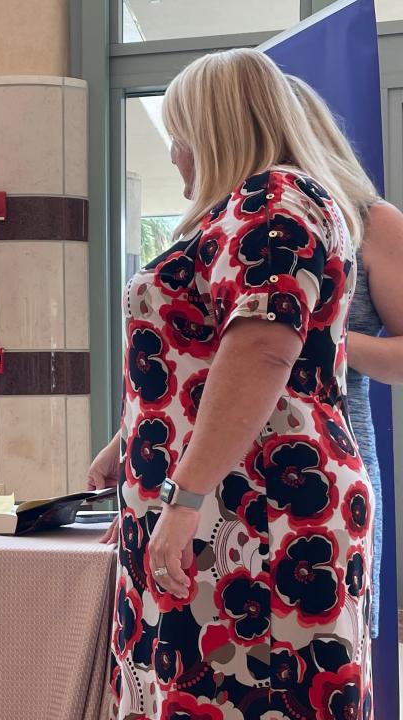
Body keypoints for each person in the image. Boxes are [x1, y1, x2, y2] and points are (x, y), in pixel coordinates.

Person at [87, 49, 373, 719]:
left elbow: (265, 352)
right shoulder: (255, 207)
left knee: (250, 695)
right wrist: (129, 441)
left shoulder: (273, 198)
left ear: (213, 128)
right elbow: (206, 358)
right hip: (232, 505)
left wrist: (183, 498)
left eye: (178, 134)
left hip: (254, 509)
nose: (175, 156)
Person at [289, 74, 403, 641]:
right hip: (227, 460)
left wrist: (319, 338)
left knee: (335, 645)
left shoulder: (373, 222)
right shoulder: (232, 223)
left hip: (334, 452)